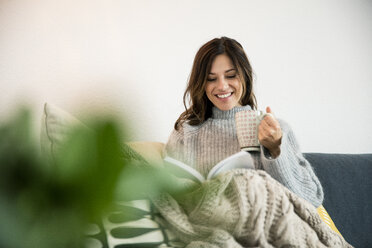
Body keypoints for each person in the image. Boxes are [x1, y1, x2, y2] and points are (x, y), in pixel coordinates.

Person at [165, 36, 324, 207]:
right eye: (211, 79)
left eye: (231, 76)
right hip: (209, 225)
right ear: (201, 84)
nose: (222, 86)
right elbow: (166, 197)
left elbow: (310, 200)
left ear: (245, 76)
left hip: (267, 226)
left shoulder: (276, 129)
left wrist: (275, 150)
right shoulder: (186, 133)